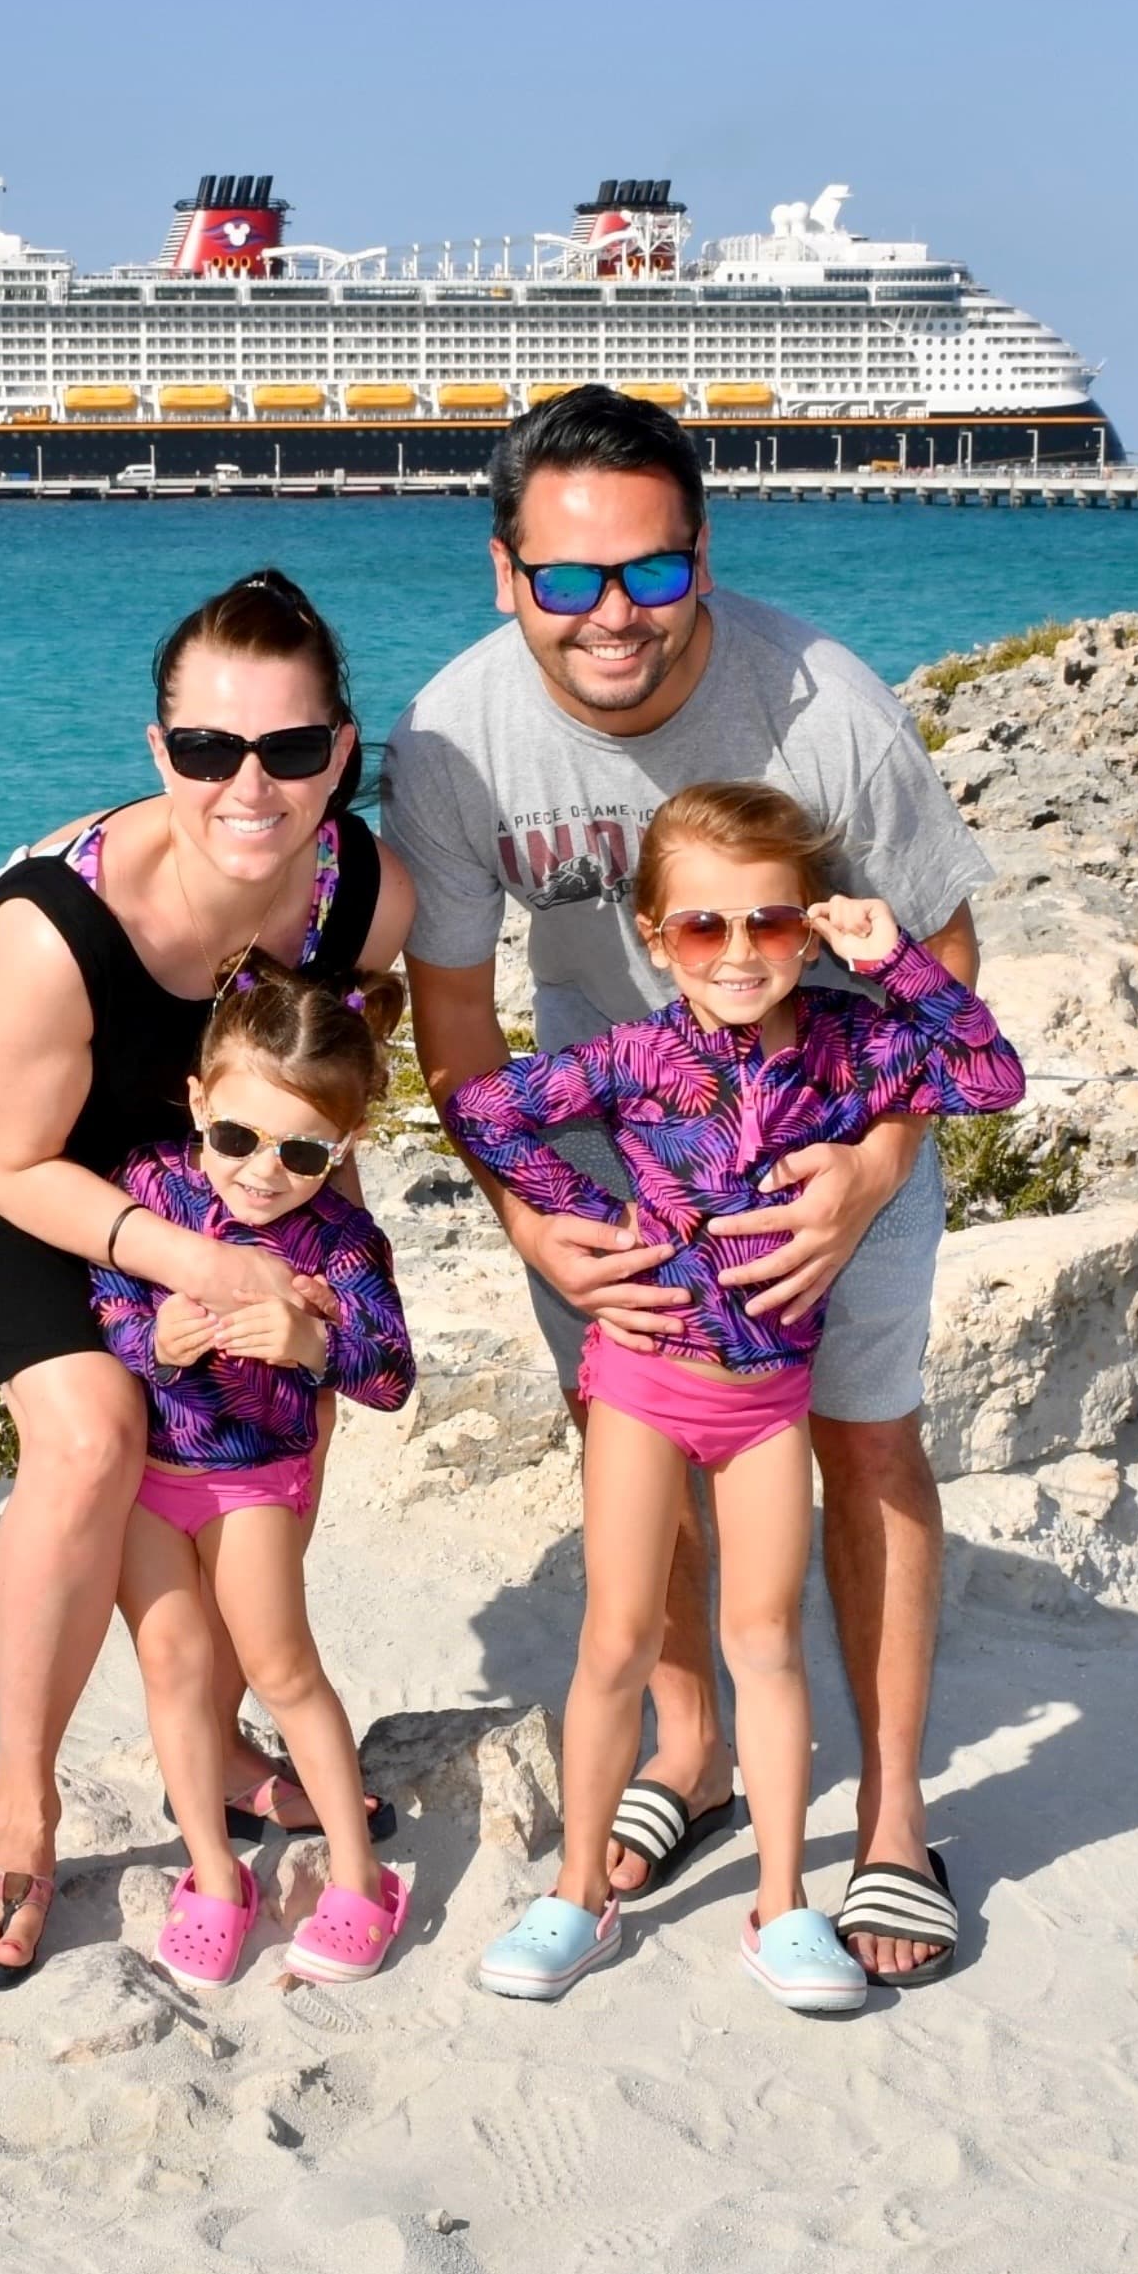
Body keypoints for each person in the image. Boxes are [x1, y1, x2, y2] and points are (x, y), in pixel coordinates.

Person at [381, 387, 997, 1982]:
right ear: (506, 573)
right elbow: (454, 1008)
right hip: (611, 1143)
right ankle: (691, 1746)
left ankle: (891, 1822)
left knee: (868, 1440)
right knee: (628, 1441)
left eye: (651, 572)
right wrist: (531, 1212)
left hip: (844, 1116)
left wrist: (870, 1172)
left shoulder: (825, 708)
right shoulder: (454, 737)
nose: (614, 615)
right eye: (569, 577)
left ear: (703, 558)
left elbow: (943, 951)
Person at [0, 569, 414, 1989]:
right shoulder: (53, 929)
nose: (250, 786)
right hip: (8, 1162)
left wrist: (324, 1288)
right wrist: (202, 1263)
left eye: (288, 748)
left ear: (341, 753)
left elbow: (321, 1099)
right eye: (209, 748)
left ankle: (219, 1733)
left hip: (216, 1155)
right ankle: (21, 1808)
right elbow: (7, 1162)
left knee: (278, 1409)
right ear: (158, 748)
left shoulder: (361, 895)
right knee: (94, 1435)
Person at [448, 784, 1023, 2007]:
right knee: (615, 1640)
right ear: (656, 938)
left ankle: (782, 1905)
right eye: (705, 927)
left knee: (765, 1642)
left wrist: (897, 960)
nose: (741, 952)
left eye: (771, 922)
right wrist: (589, 1225)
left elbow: (989, 1075)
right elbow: (486, 1111)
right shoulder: (634, 1054)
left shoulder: (856, 1044)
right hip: (640, 1386)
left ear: (809, 927)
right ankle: (576, 1896)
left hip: (768, 1401)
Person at [96, 956, 418, 1989]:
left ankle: (361, 1878)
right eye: (236, 1137)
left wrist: (313, 1347)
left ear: (346, 1143)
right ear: (199, 1102)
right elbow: (106, 1305)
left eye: (304, 1150)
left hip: (254, 1484)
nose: (263, 1173)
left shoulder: (343, 1239)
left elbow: (392, 1376)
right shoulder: (149, 1187)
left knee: (281, 1669)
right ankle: (212, 1872)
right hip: (145, 1477)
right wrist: (156, 1342)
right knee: (175, 1669)